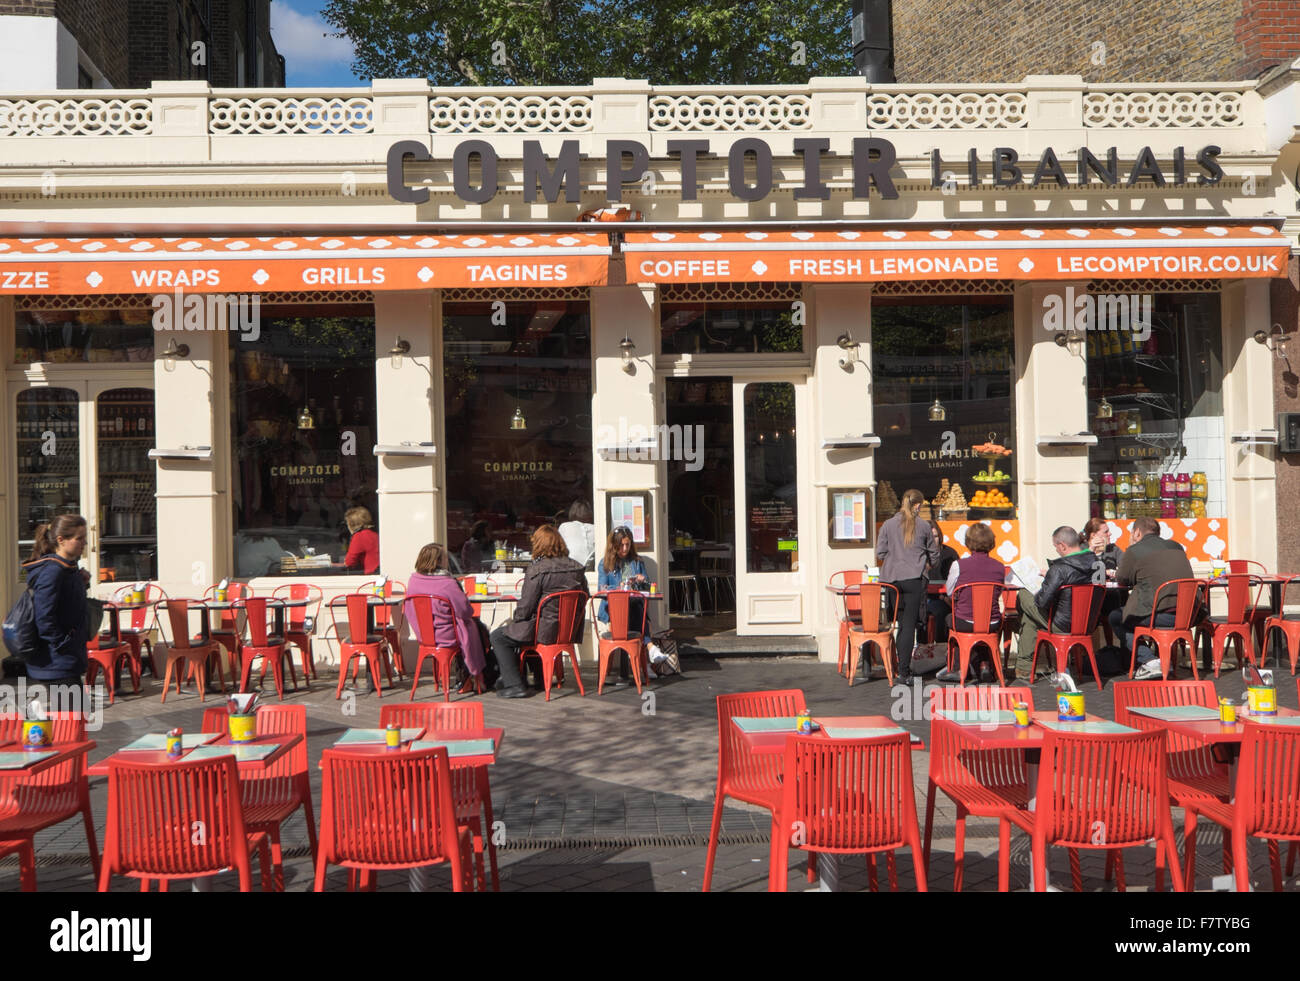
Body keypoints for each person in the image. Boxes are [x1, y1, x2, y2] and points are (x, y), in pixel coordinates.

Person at [489, 525, 589, 698]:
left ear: (539, 545)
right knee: (528, 626)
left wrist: (516, 619)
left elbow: (525, 607)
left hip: (543, 630)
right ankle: (540, 679)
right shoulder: (577, 568)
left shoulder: (537, 569)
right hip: (567, 631)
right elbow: (584, 596)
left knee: (499, 636)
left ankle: (515, 684)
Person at [1112, 516, 1195, 680]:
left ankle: (1149, 661)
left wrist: (1131, 548)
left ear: (1136, 533)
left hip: (1160, 615)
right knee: (1135, 613)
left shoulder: (1134, 550)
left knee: (1117, 617)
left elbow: (1122, 578)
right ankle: (1157, 660)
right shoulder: (1176, 546)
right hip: (1188, 615)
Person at [21, 515, 91, 710]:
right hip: (55, 661)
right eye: (79, 538)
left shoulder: (68, 569)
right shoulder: (53, 571)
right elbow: (44, 616)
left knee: (76, 719)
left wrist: (82, 584)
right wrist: (63, 643)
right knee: (73, 721)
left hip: (65, 659)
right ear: (61, 540)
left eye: (85, 538)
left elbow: (65, 605)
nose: (84, 543)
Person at [1013, 526, 1097, 681]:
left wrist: (1047, 581)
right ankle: (1023, 668)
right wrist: (1051, 578)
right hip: (1088, 623)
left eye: (1056, 547)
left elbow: (1042, 602)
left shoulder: (1059, 569)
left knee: (1024, 594)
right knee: (1030, 617)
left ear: (1062, 546)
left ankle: (1024, 667)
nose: (1056, 551)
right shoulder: (1096, 562)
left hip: (1062, 624)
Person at [875, 488, 940, 684]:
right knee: (908, 626)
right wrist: (929, 565)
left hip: (893, 580)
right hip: (914, 579)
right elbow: (934, 553)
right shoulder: (923, 526)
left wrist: (895, 559)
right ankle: (904, 672)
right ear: (918, 505)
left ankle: (899, 667)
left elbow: (880, 553)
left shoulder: (887, 525)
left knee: (900, 624)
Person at [404, 542, 489, 690]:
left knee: (469, 627)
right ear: (438, 561)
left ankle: (465, 680)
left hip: (424, 635)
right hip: (447, 635)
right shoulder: (447, 583)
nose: (447, 560)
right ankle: (471, 679)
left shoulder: (413, 581)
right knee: (473, 627)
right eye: (444, 557)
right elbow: (465, 612)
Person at [935, 524, 1006, 683]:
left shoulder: (959, 565)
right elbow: (998, 592)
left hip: (965, 621)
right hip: (992, 622)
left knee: (951, 619)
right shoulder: (1000, 567)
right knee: (982, 626)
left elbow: (950, 592)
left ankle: (959, 668)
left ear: (968, 542)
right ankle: (985, 665)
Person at [597, 526, 669, 674]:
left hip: (634, 607)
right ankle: (649, 653)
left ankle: (647, 656)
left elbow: (648, 587)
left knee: (636, 608)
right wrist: (619, 586)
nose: (624, 549)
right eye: (621, 545)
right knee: (637, 611)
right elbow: (602, 589)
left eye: (627, 545)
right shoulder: (605, 564)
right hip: (613, 611)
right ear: (614, 545)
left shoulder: (637, 561)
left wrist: (643, 580)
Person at [924, 542, 961, 645]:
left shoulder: (950, 553)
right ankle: (923, 646)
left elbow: (954, 585)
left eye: (935, 536)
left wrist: (944, 597)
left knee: (943, 611)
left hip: (947, 598)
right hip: (928, 597)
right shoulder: (919, 552)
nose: (932, 539)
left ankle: (943, 647)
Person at [558, 501, 596, 569]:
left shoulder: (564, 526)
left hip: (571, 569)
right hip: (592, 569)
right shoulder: (596, 528)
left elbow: (557, 550)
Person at [341, 506, 379, 574]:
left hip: (369, 575)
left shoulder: (359, 536)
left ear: (351, 524)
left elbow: (349, 562)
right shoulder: (374, 534)